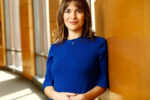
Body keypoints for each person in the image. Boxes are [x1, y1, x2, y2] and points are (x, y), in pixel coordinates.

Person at [42, 0, 109, 100]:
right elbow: (47, 83)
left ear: (85, 15)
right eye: (68, 11)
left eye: (78, 11)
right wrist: (56, 96)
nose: (73, 16)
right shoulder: (54, 48)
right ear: (62, 16)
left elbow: (103, 82)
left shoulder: (99, 44)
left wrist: (85, 97)